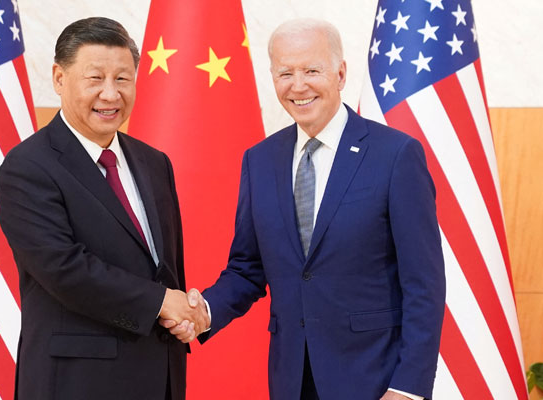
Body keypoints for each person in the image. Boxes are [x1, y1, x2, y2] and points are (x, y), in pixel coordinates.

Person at [163, 18, 446, 400]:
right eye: (285, 73)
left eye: (312, 70)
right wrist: (204, 312)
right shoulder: (259, 160)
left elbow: (423, 285)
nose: (298, 85)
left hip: (375, 379)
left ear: (340, 73)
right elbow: (247, 268)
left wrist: (408, 389)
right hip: (292, 380)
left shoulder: (396, 155)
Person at [0, 17, 208, 400]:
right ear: (60, 78)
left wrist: (182, 315)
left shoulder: (153, 162)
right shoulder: (27, 166)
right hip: (77, 383)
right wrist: (162, 303)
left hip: (160, 377)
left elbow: (165, 267)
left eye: (123, 79)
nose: (110, 95)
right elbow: (65, 270)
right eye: (95, 79)